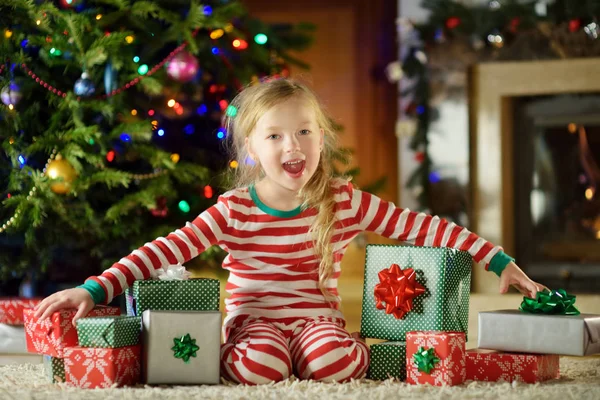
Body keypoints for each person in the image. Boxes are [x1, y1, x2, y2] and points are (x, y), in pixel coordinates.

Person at [34, 77, 547, 385]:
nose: (292, 146)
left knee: (334, 360)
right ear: (252, 150)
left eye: (304, 131)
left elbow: (424, 227)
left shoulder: (344, 201)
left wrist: (499, 260)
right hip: (251, 324)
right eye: (275, 135)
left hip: (315, 322)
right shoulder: (233, 210)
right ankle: (273, 358)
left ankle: (320, 356)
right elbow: (164, 249)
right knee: (260, 365)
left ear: (320, 139)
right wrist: (93, 288)